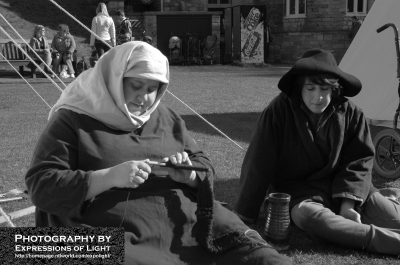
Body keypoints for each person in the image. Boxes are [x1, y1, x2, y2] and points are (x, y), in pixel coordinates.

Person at [25, 42, 292, 265]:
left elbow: (203, 164)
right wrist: (109, 177)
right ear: (115, 79)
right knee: (36, 249)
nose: (144, 98)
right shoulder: (73, 119)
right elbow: (41, 184)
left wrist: (188, 175)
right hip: (108, 228)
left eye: (152, 89)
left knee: (258, 256)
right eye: (136, 86)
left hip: (179, 222)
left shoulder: (166, 117)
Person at [234, 49, 400, 256]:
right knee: (311, 218)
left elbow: (359, 159)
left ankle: (389, 201)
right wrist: (244, 214)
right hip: (301, 196)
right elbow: (259, 161)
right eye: (310, 88)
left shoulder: (352, 113)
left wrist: (348, 205)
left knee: (393, 217)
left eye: (324, 89)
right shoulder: (278, 111)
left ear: (334, 89)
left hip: (348, 190)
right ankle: (392, 243)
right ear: (299, 88)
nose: (317, 97)